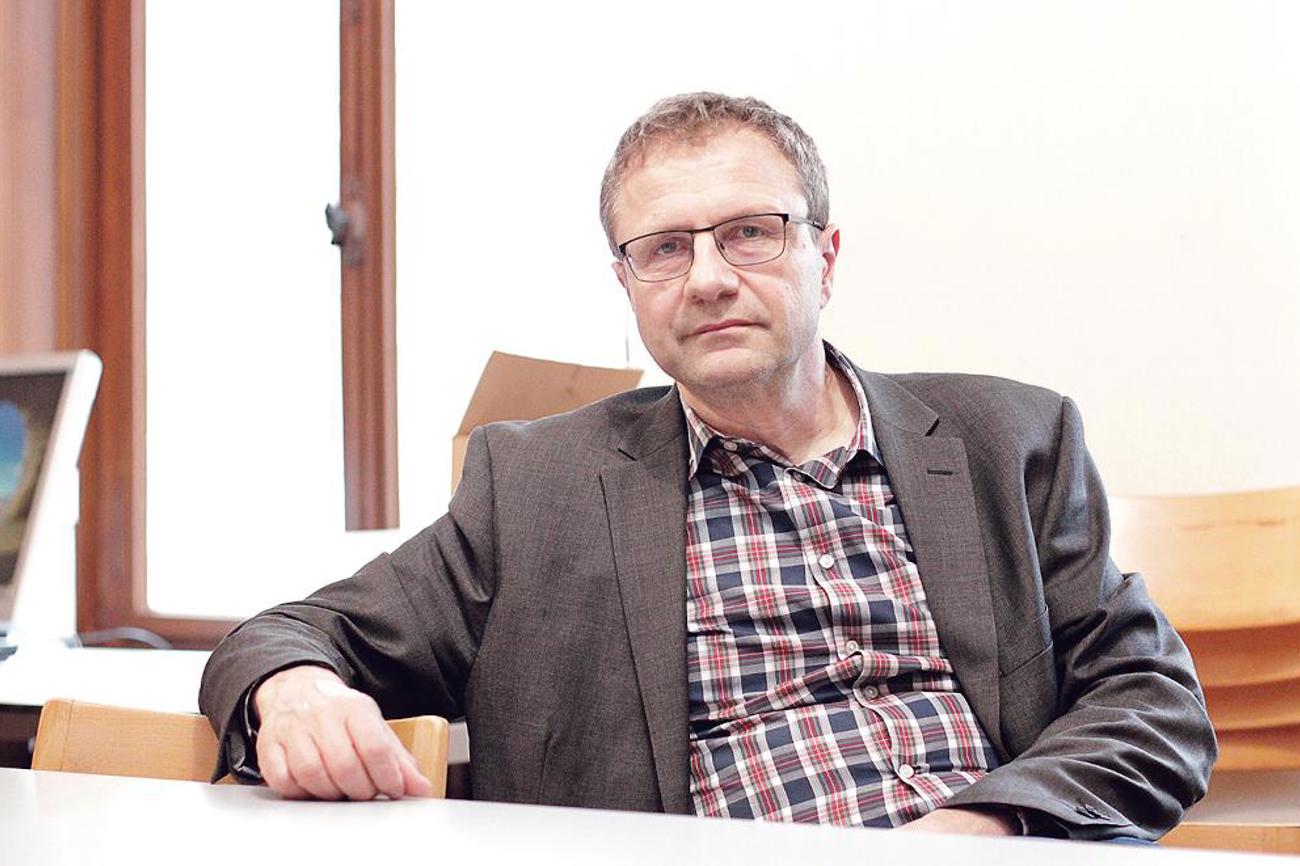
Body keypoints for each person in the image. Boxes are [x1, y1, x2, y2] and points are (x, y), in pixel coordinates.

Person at [199, 92, 1215, 839]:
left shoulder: (1009, 439)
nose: (709, 279)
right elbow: (287, 635)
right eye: (665, 249)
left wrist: (982, 827)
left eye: (750, 234)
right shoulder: (536, 485)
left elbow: (1153, 703)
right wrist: (294, 690)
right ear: (627, 283)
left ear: (825, 256)